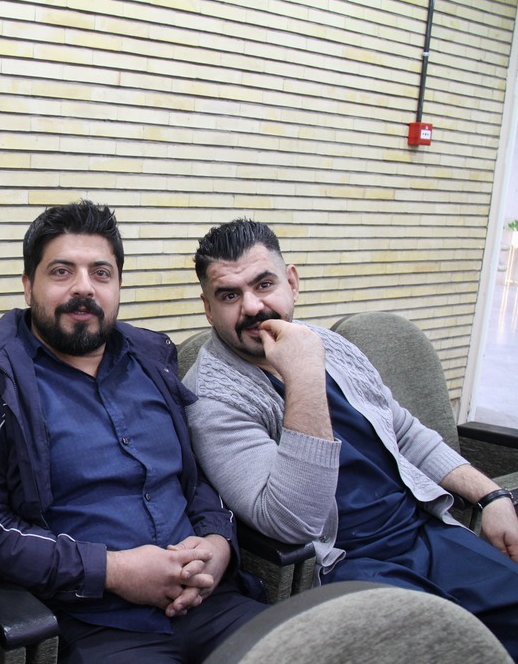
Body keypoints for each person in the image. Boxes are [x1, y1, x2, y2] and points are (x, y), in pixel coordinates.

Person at [0, 200, 268, 664]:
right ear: (28, 285)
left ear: (118, 285)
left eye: (101, 273)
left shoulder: (152, 361)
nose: (83, 288)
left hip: (213, 604)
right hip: (97, 624)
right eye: (61, 272)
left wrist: (217, 542)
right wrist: (114, 571)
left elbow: (194, 478)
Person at [182, 217, 518, 657]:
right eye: (229, 295)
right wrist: (303, 375)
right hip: (347, 564)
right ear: (208, 309)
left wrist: (492, 497)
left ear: (292, 282)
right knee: (447, 650)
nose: (252, 306)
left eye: (264, 284)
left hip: (426, 529)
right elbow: (292, 520)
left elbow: (405, 432)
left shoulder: (332, 345)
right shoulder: (210, 395)